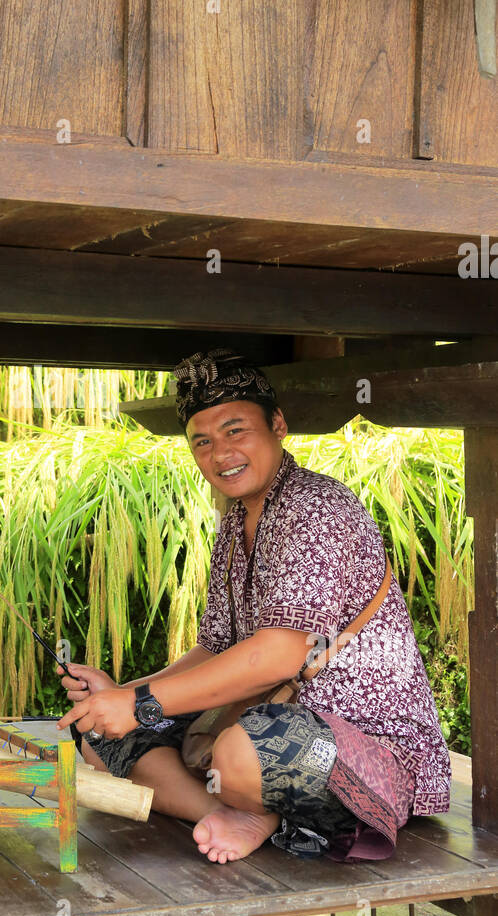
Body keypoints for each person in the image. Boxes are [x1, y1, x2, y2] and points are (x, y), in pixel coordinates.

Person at [58, 347, 451, 865]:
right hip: (266, 721)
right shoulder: (237, 521)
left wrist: (137, 703)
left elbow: (277, 658)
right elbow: (217, 647)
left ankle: (248, 804)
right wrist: (123, 698)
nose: (221, 453)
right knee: (101, 736)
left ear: (278, 425)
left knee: (240, 754)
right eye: (203, 441)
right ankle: (228, 813)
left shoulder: (316, 508)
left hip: (366, 753)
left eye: (236, 430)